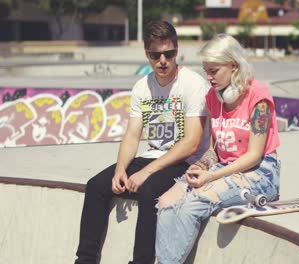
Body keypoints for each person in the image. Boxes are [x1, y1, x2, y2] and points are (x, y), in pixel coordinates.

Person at [74, 21, 210, 264]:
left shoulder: (193, 84)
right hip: (153, 157)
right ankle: (84, 260)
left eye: (168, 54)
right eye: (155, 55)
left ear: (177, 51)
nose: (163, 61)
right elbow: (132, 135)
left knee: (149, 192)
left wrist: (145, 172)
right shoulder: (142, 87)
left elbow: (191, 142)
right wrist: (120, 170)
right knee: (96, 186)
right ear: (147, 53)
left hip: (185, 161)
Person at [154, 33, 281, 264]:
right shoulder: (214, 98)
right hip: (224, 168)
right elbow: (213, 151)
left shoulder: (258, 96)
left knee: (195, 202)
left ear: (233, 66)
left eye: (214, 71)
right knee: (166, 202)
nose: (209, 77)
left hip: (261, 172)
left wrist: (210, 176)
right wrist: (200, 166)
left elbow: (253, 156)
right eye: (206, 71)